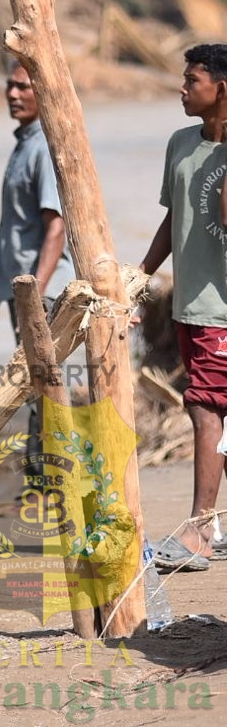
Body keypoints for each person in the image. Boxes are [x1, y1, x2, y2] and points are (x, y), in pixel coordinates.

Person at [138, 43, 227, 572]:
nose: (182, 88)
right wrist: (141, 277)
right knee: (212, 404)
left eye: (192, 80)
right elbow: (175, 218)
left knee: (206, 407)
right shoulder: (179, 144)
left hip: (223, 307)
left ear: (222, 90)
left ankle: (200, 527)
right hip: (192, 303)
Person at [0, 62, 74, 333]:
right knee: (29, 361)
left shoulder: (44, 148)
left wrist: (35, 299)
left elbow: (57, 227)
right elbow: (12, 228)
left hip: (44, 290)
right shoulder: (25, 146)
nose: (12, 94)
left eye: (22, 87)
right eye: (9, 85)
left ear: (43, 92)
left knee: (43, 361)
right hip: (24, 289)